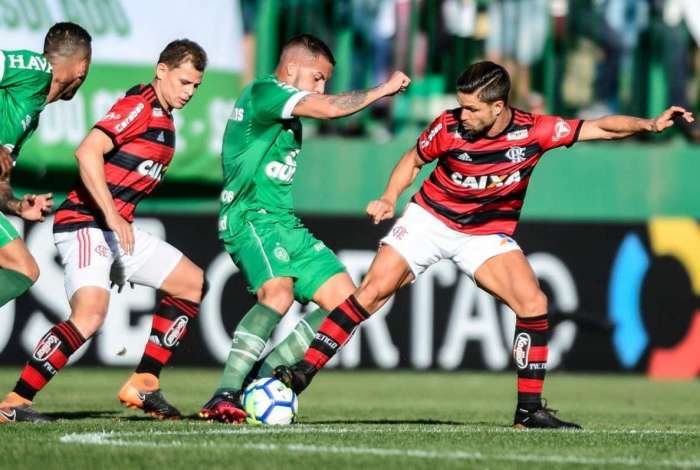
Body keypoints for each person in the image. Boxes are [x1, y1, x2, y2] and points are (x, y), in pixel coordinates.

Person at [275, 61, 694, 429]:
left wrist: (649, 124)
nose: (463, 114)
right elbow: (413, 161)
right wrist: (389, 196)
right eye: (461, 105)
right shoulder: (448, 126)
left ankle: (529, 412)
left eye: (472, 108)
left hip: (485, 235)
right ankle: (302, 373)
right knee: (372, 292)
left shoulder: (535, 132)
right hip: (430, 220)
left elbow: (599, 127)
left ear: (498, 107)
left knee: (534, 303)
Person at [198, 33, 410, 423]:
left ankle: (261, 380)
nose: (322, 87)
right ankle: (223, 393)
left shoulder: (285, 107)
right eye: (318, 77)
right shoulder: (266, 91)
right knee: (278, 294)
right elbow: (329, 109)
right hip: (250, 215)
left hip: (284, 222)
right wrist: (382, 89)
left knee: (349, 303)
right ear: (293, 67)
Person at [0, 39, 208, 423]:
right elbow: (88, 151)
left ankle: (144, 382)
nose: (189, 92)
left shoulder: (165, 120)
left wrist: (116, 221)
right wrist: (112, 216)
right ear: (161, 70)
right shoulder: (139, 106)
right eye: (183, 82)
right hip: (86, 223)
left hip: (116, 230)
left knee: (191, 283)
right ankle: (14, 401)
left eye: (196, 86)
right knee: (90, 315)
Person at [0, 22, 91, 310]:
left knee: (23, 269)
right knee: (22, 266)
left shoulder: (30, 113)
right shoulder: (35, 69)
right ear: (83, 67)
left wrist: (15, 205)